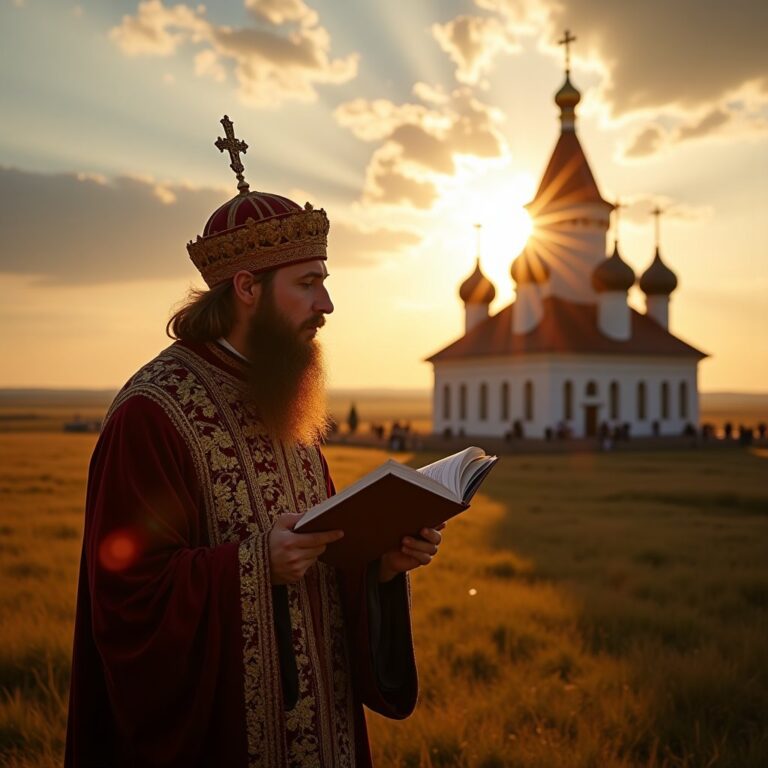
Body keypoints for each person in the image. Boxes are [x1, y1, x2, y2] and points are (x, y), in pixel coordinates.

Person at [65, 117, 443, 767]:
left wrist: (382, 564)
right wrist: (250, 567)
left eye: (324, 281)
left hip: (322, 732)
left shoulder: (283, 398)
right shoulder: (152, 415)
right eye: (308, 283)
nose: (327, 304)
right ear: (246, 287)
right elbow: (126, 604)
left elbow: (323, 556)